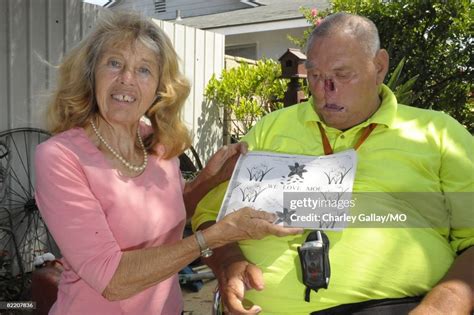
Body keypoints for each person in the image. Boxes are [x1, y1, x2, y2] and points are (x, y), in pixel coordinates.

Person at [192, 12, 473, 315]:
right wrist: (228, 262)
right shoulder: (269, 129)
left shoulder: (438, 134)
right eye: (315, 76)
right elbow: (208, 215)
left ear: (379, 67)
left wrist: (442, 307)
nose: (326, 90)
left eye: (342, 75)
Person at [34, 11, 303, 315]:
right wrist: (216, 236)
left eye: (144, 70)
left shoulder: (159, 144)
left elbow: (168, 214)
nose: (127, 79)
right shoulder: (60, 157)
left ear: (160, 87)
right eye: (114, 63)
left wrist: (210, 179)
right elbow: (110, 279)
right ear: (90, 73)